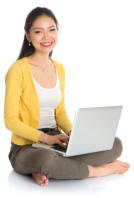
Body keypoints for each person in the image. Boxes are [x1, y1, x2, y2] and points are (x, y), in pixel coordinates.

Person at [4, 7, 130, 186]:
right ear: (28, 36)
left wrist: (74, 134)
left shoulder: (59, 68)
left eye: (52, 29)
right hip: (26, 148)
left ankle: (48, 169)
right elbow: (10, 121)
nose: (47, 37)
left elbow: (60, 111)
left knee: (115, 144)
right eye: (38, 32)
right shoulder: (17, 70)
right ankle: (96, 171)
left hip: (55, 142)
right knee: (46, 160)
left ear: (57, 32)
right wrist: (45, 138)